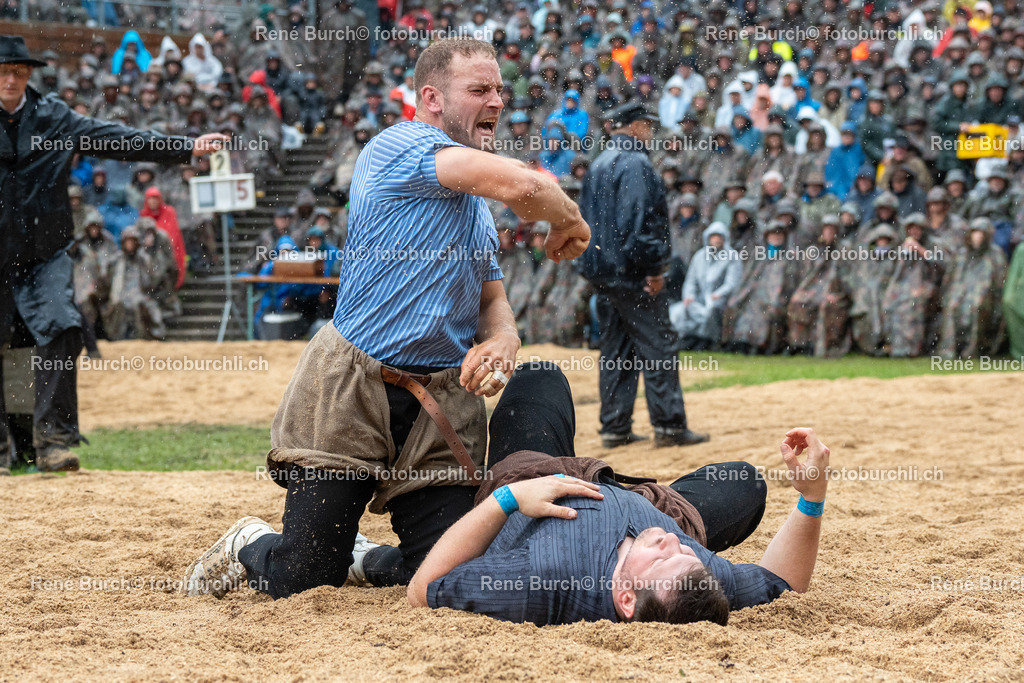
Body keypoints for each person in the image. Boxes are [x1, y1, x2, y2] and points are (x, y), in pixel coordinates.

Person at [184, 38, 590, 600]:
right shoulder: (399, 144)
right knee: (303, 577)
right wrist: (569, 221)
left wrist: (504, 339)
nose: (496, 101)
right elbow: (525, 185)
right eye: (479, 90)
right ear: (431, 98)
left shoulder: (472, 206)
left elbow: (491, 302)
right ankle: (248, 543)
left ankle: (366, 558)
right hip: (350, 387)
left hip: (438, 403)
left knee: (449, 574)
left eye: (499, 89)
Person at [406, 362, 832, 626]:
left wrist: (510, 499)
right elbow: (785, 584)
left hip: (534, 476)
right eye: (683, 552)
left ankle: (376, 559)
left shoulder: (544, 580)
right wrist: (812, 495)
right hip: (642, 500)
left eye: (663, 557)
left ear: (625, 598)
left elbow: (424, 589)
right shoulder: (692, 578)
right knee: (744, 482)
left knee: (540, 376)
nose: (672, 544)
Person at [0, 35, 226, 473]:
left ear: (29, 75)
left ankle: (54, 443)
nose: (10, 79)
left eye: (18, 72)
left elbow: (116, 138)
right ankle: (8, 451)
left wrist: (184, 148)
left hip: (44, 254)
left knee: (63, 327)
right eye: (3, 71)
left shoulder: (53, 117)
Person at [577, 101, 708, 450]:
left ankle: (615, 427)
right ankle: (668, 425)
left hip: (603, 274)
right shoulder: (636, 163)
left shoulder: (599, 163)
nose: (650, 130)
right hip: (633, 275)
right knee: (659, 347)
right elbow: (635, 227)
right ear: (634, 126)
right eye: (646, 125)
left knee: (616, 351)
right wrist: (654, 269)